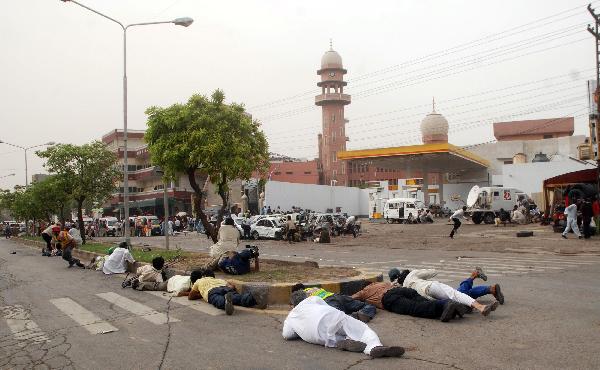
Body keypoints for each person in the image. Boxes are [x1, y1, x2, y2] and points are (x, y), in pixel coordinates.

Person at [282, 291, 405, 358]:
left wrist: (299, 328)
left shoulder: (290, 317)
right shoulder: (312, 299)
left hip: (317, 335)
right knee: (362, 329)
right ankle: (374, 347)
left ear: (293, 305)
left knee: (331, 338)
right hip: (331, 316)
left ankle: (344, 341)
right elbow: (326, 307)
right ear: (305, 296)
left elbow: (287, 335)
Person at [352, 279, 465, 322]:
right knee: (424, 302)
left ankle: (444, 304)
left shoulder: (364, 291)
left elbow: (349, 299)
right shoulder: (381, 283)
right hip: (402, 290)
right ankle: (453, 308)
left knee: (415, 308)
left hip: (389, 299)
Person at [398, 268, 499, 316]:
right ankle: (481, 306)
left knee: (460, 294)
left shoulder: (404, 287)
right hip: (431, 286)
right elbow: (433, 272)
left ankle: (488, 289)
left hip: (429, 299)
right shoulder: (412, 274)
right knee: (458, 294)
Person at [188, 269, 264, 315]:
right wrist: (232, 290)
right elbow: (232, 287)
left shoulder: (199, 281)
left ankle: (225, 302)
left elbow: (190, 296)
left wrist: (201, 294)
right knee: (238, 298)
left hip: (211, 291)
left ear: (204, 276)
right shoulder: (219, 280)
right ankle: (251, 298)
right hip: (225, 288)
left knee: (217, 300)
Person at [291, 284, 376, 323]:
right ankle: (365, 312)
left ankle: (350, 318)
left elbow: (300, 309)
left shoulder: (300, 296)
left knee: (336, 319)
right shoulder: (314, 288)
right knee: (367, 305)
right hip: (337, 296)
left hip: (328, 302)